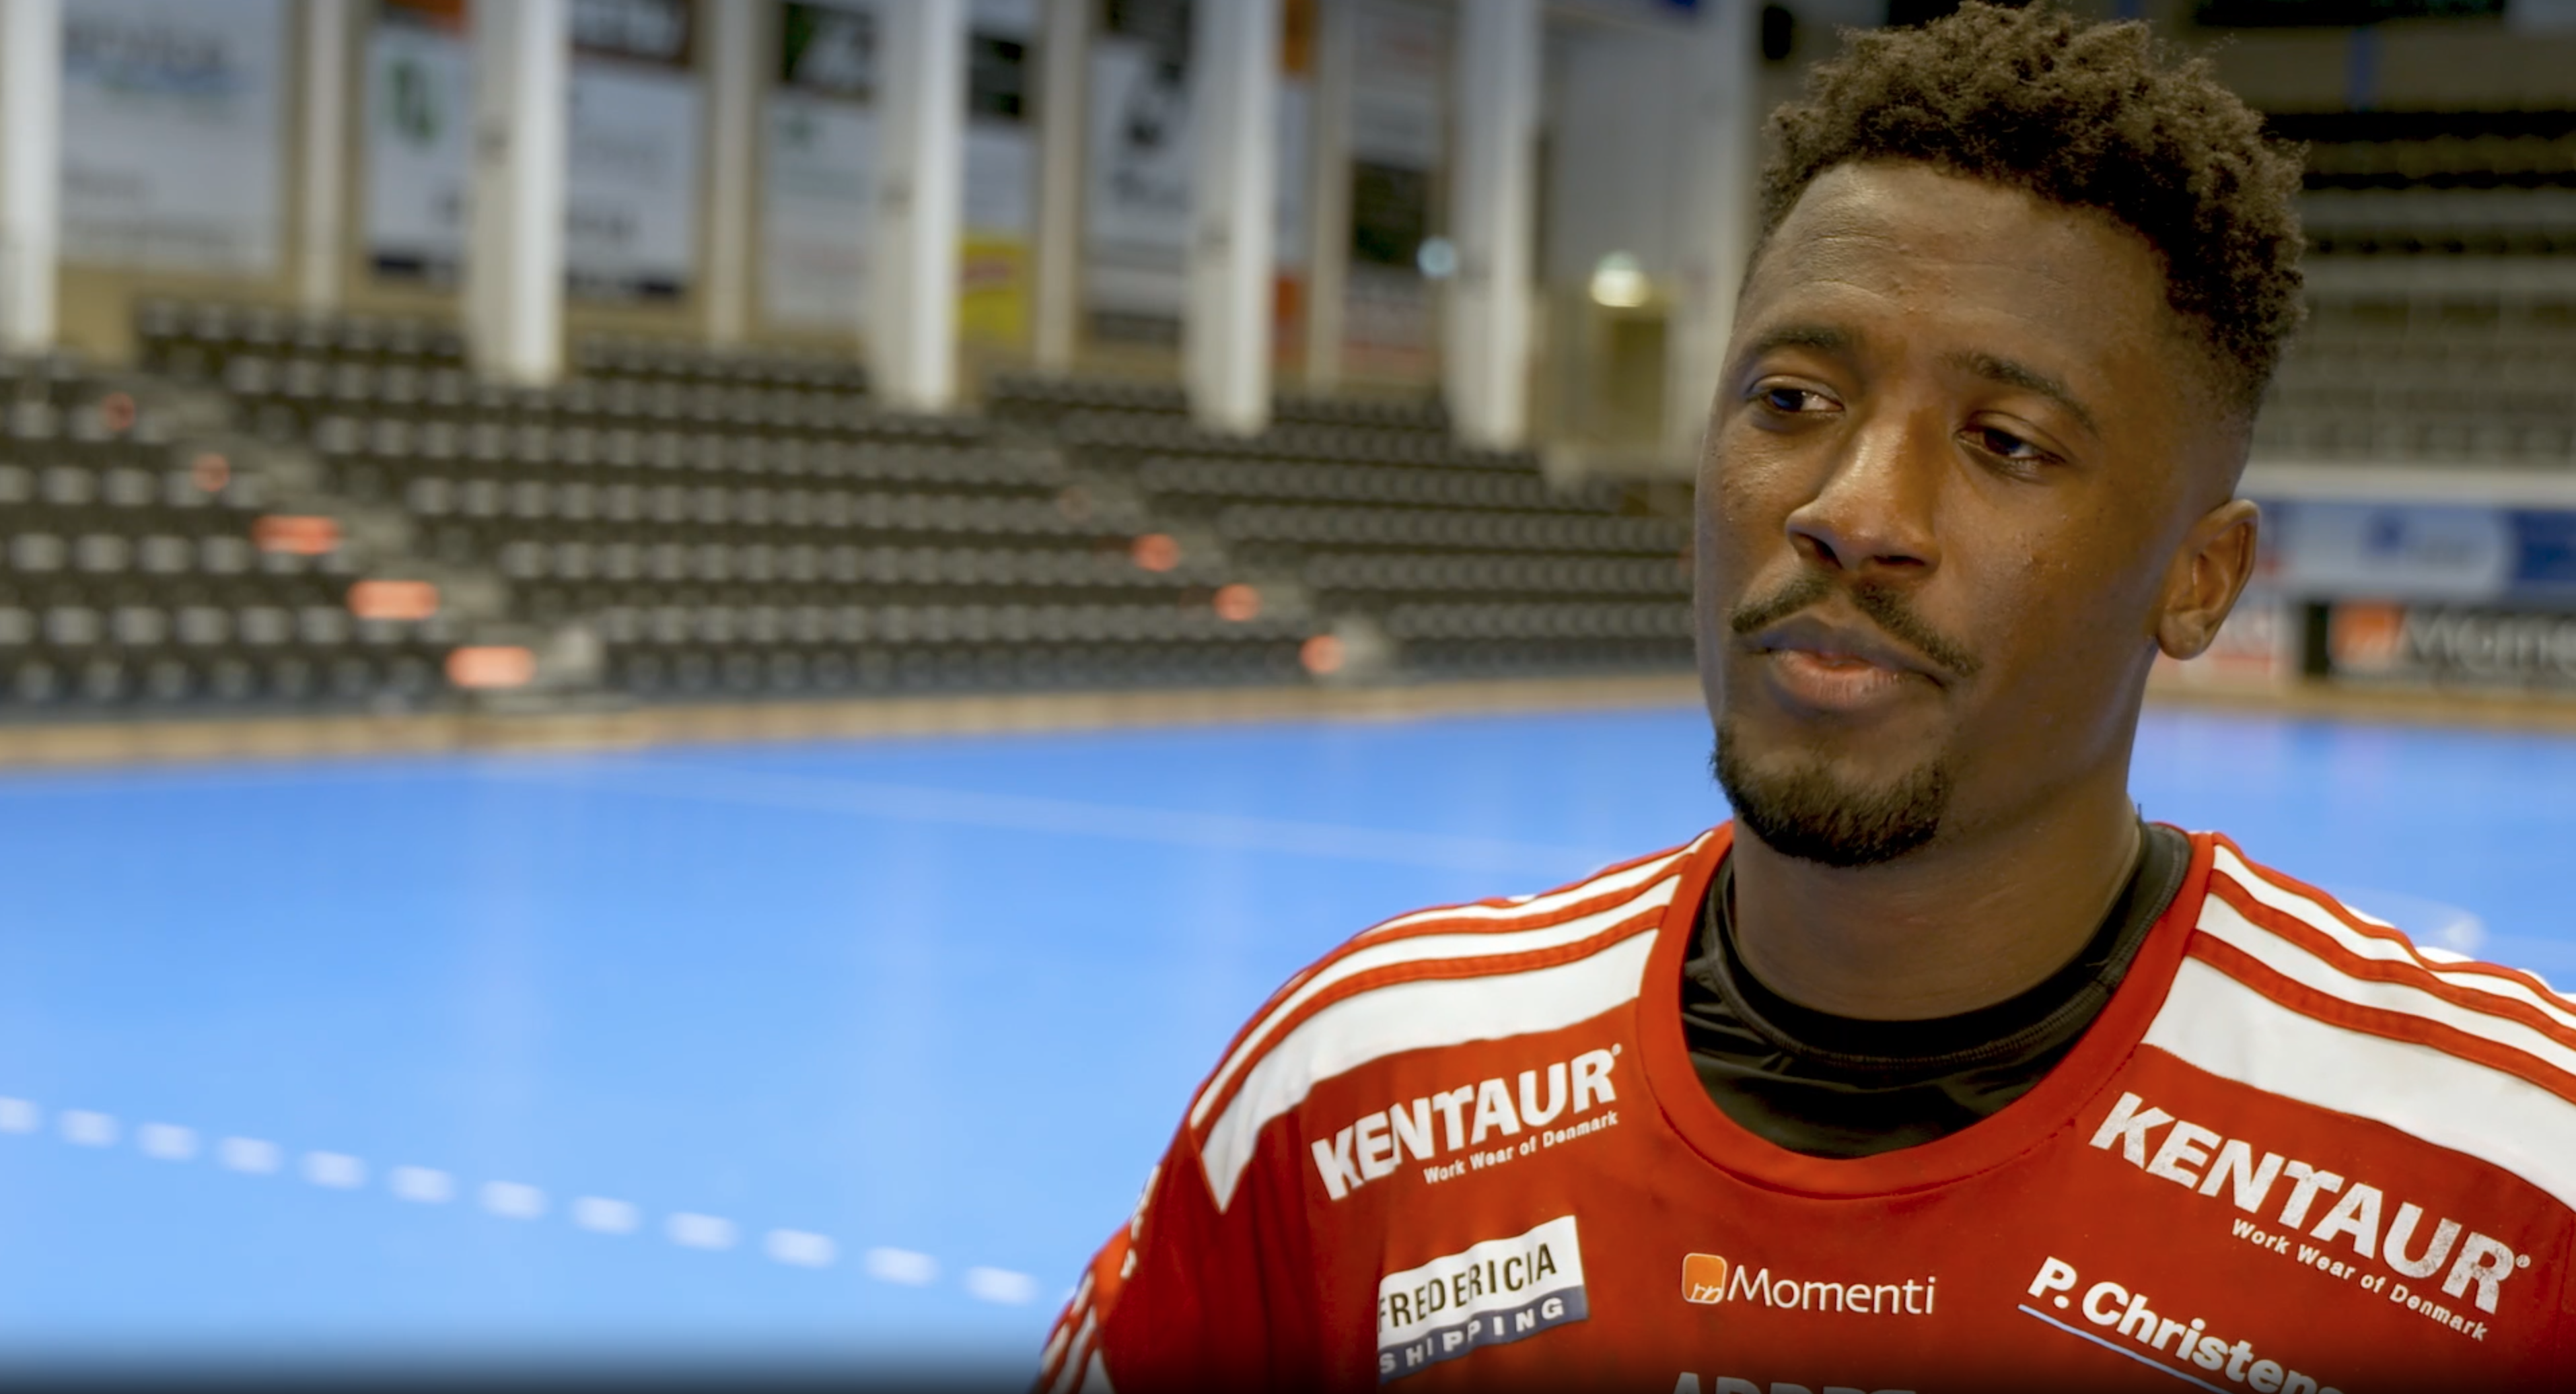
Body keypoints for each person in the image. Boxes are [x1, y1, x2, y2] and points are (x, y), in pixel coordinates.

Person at [1036, 7, 2576, 1390]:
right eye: (1792, 401)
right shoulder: (1353, 1093)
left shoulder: (2512, 1191)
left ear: (2202, 578)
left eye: (2006, 442)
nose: (1853, 509)